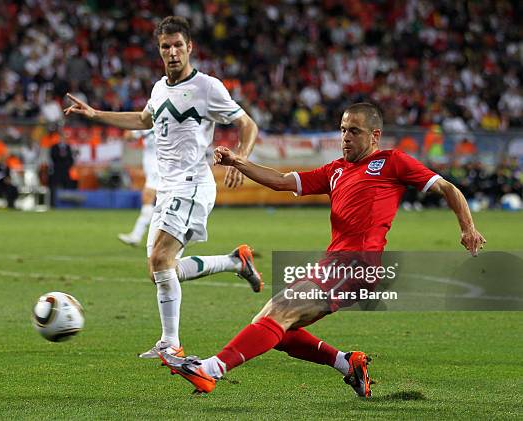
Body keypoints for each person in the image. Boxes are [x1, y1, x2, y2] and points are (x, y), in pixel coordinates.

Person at [158, 103, 486, 397]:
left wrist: (467, 227)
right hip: (333, 263)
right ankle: (348, 364)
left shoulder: (392, 162)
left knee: (280, 313)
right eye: (343, 130)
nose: (345, 137)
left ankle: (210, 370)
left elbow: (447, 187)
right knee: (275, 328)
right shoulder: (336, 170)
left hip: (358, 265)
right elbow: (282, 180)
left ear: (375, 135)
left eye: (354, 131)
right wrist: (239, 162)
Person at [64, 16, 263, 359]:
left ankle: (170, 343)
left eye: (177, 46)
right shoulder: (159, 88)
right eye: (165, 47)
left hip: (193, 184)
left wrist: (241, 159)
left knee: (160, 259)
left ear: (189, 48)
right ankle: (235, 262)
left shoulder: (208, 87)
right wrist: (96, 114)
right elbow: (143, 120)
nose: (172, 53)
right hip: (167, 189)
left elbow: (247, 124)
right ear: (159, 51)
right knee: (159, 269)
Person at [118, 129, 159, 247]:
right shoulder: (147, 122)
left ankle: (137, 235)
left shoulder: (166, 120)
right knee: (154, 201)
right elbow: (127, 136)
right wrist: (136, 132)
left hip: (159, 169)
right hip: (154, 170)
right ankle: (138, 235)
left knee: (148, 198)